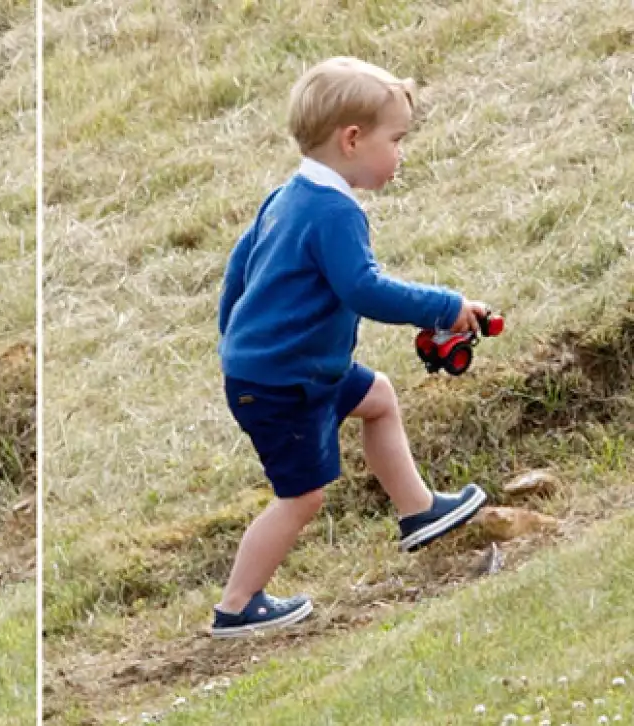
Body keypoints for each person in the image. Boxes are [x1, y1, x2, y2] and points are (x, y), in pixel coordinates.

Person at [212, 56, 488, 638]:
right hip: (283, 382)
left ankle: (418, 511)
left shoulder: (287, 196)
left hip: (295, 368)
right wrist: (446, 307)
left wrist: (233, 339)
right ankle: (237, 605)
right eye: (397, 140)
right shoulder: (334, 213)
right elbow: (363, 289)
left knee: (378, 397)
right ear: (353, 139)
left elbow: (239, 270)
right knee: (302, 497)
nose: (401, 154)